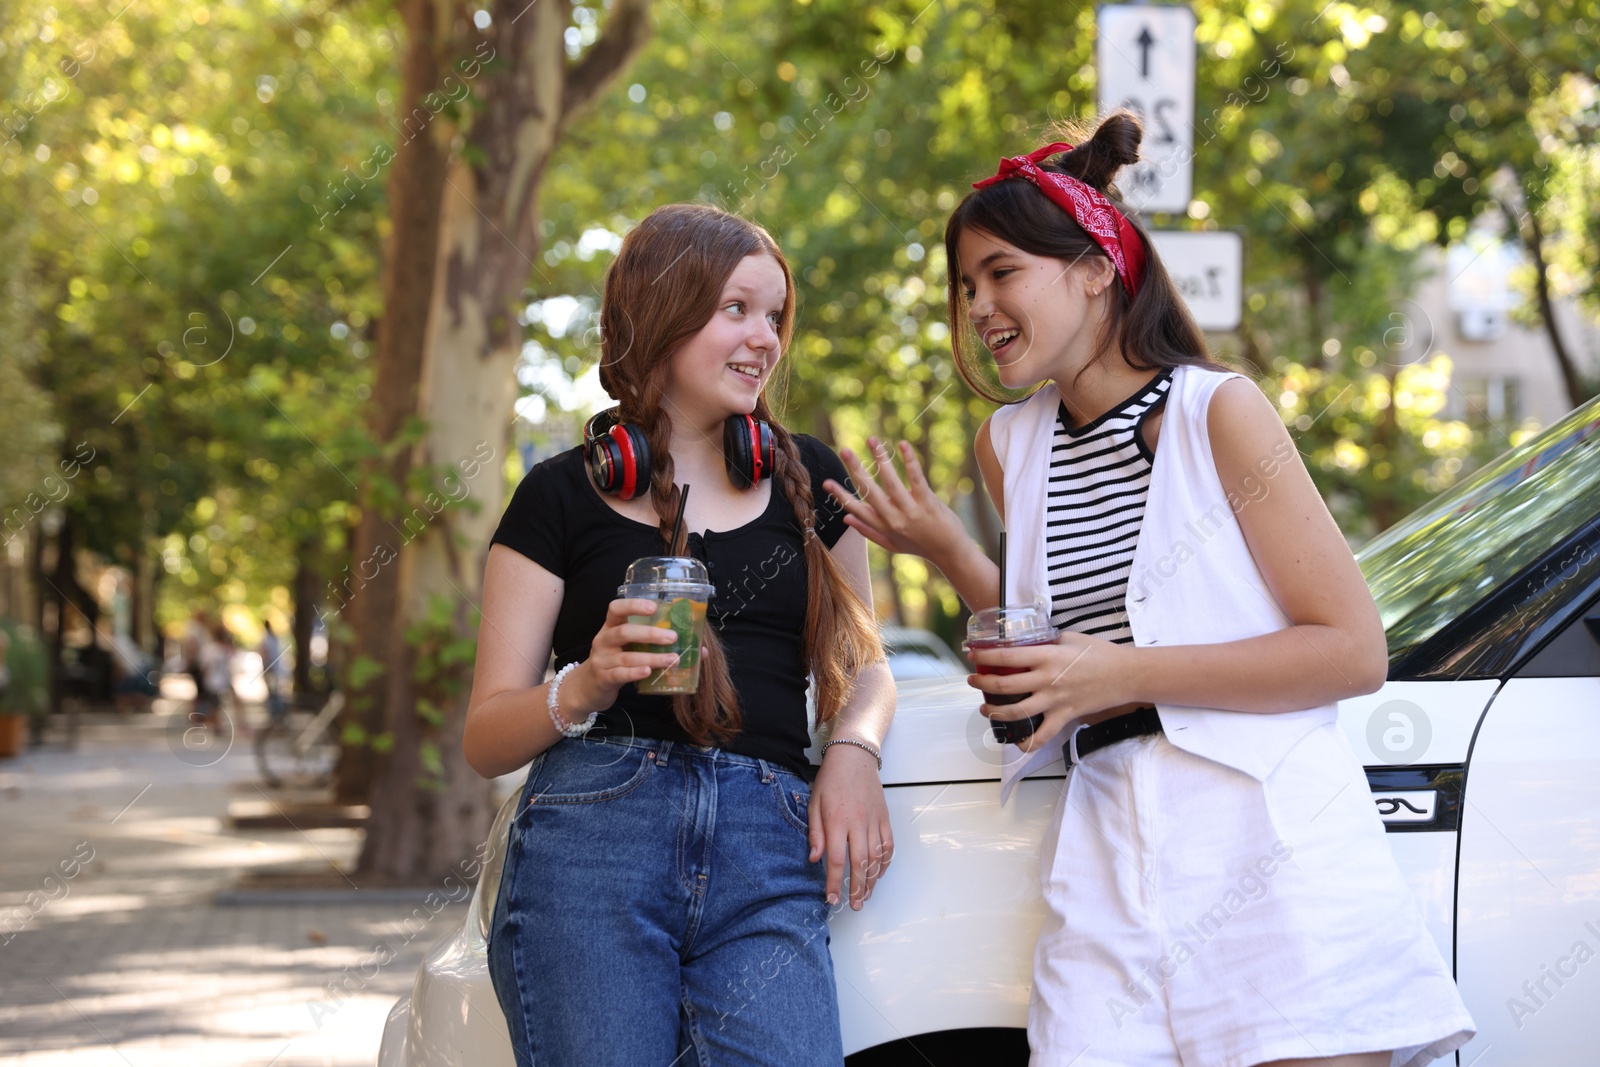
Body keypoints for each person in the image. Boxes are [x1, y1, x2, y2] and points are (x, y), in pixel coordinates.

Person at [825, 112, 1475, 1067]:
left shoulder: (1219, 412)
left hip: (1261, 835)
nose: (977, 306)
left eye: (1001, 273)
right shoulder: (1011, 445)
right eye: (966, 286)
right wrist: (953, 554)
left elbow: (1350, 649)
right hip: (1105, 836)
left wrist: (1115, 673)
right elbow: (1047, 656)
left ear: (1095, 267)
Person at [465, 203, 896, 1067]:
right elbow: (485, 735)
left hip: (769, 845)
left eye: (775, 316)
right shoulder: (556, 496)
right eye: (737, 309)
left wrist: (853, 751)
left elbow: (865, 662)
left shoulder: (813, 475)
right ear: (662, 312)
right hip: (590, 851)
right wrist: (585, 682)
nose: (765, 337)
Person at [257, 619, 288, 722]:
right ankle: (277, 713)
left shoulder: (267, 639)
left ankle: (275, 714)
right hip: (275, 668)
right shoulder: (274, 638)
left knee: (273, 692)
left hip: (270, 669)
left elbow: (266, 654)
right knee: (275, 691)